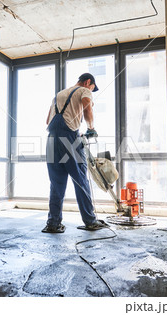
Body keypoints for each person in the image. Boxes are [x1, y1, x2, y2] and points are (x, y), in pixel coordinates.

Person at [42, 73, 108, 233]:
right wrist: (91, 128)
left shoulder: (59, 95)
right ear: (87, 82)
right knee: (80, 179)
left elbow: (47, 121)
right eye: (92, 87)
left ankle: (53, 223)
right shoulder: (84, 91)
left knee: (56, 183)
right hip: (70, 139)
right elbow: (87, 106)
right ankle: (90, 221)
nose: (91, 91)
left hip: (52, 141)